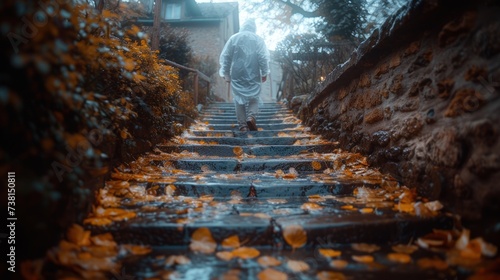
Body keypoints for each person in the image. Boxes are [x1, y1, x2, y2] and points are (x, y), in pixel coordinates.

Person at [219, 18, 270, 132]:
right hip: (254, 73)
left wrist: (226, 72)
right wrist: (265, 72)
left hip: (237, 73)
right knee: (254, 97)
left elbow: (226, 57)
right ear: (254, 27)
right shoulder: (258, 40)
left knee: (238, 98)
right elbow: (263, 57)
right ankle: (251, 117)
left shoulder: (234, 38)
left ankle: (242, 126)